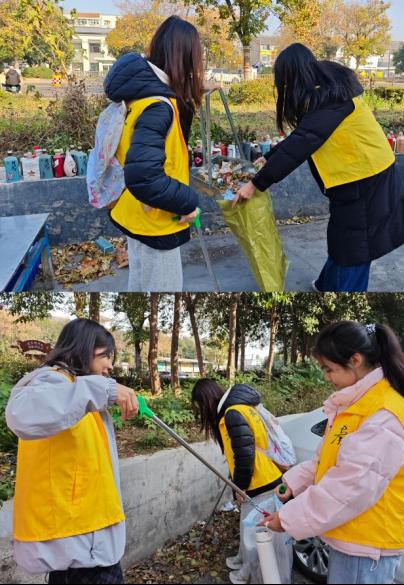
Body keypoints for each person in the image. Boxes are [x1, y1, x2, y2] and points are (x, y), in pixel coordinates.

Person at [234, 44, 404, 293]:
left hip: (367, 178)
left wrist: (256, 184)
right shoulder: (328, 93)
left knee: (356, 247)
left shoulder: (331, 100)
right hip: (354, 176)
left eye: (285, 81)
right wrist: (269, 157)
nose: (285, 88)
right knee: (343, 238)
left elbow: (304, 141)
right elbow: (305, 134)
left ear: (294, 75)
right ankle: (326, 285)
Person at [260, 321, 404, 584]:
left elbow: (350, 487)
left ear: (355, 360)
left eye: (329, 369)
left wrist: (289, 519)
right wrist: (293, 483)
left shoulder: (383, 415)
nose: (326, 377)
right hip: (355, 534)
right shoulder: (357, 405)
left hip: (367, 544)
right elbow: (328, 459)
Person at [6, 319, 139, 584]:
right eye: (105, 356)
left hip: (88, 541)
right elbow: (20, 413)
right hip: (77, 545)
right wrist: (103, 388)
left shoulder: (77, 391)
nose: (110, 365)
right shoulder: (50, 380)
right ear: (84, 349)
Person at [103, 16, 203, 291]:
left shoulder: (140, 95)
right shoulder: (159, 107)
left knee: (139, 286)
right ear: (184, 58)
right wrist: (188, 202)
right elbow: (145, 177)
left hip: (138, 213)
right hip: (157, 220)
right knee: (164, 292)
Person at [191, 380, 292, 584]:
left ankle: (253, 575)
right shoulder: (241, 407)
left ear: (207, 400)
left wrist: (240, 487)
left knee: (257, 536)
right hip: (268, 477)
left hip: (260, 482)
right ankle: (246, 565)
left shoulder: (232, 414)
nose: (201, 411)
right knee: (259, 532)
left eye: (200, 406)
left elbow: (245, 456)